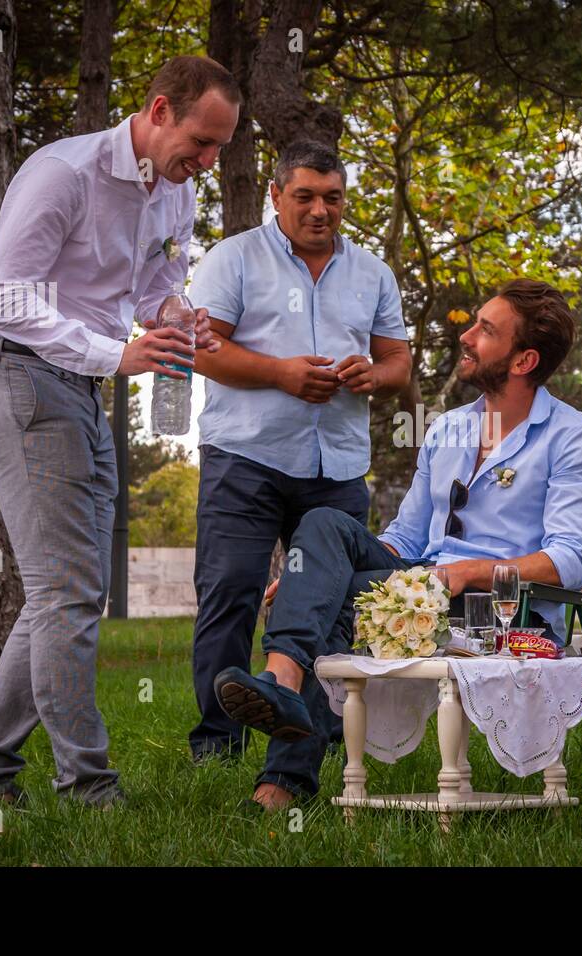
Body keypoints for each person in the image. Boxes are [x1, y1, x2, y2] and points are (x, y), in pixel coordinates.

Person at [0, 57, 238, 807]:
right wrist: (117, 354)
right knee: (67, 592)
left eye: (217, 151)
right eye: (200, 142)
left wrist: (179, 317)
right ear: (160, 108)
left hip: (82, 386)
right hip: (16, 375)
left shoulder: (174, 193)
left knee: (64, 592)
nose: (206, 162)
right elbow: (6, 298)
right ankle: (87, 786)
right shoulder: (63, 173)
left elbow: (151, 291)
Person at [211, 279, 582, 809]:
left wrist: (466, 573)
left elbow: (566, 561)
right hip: (417, 581)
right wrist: (307, 575)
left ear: (524, 361)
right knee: (324, 525)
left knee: (335, 597)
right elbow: (403, 537)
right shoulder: (447, 428)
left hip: (497, 611)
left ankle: (283, 783)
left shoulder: (578, 439)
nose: (466, 337)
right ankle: (282, 680)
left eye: (486, 331)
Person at [186, 140, 412, 765]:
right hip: (245, 459)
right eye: (305, 196)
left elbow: (399, 362)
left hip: (335, 467)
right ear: (276, 195)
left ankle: (312, 738)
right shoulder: (233, 259)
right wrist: (280, 374)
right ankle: (217, 746)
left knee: (336, 603)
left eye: (332, 198)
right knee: (230, 594)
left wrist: (374, 374)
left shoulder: (372, 272)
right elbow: (204, 351)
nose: (320, 210)